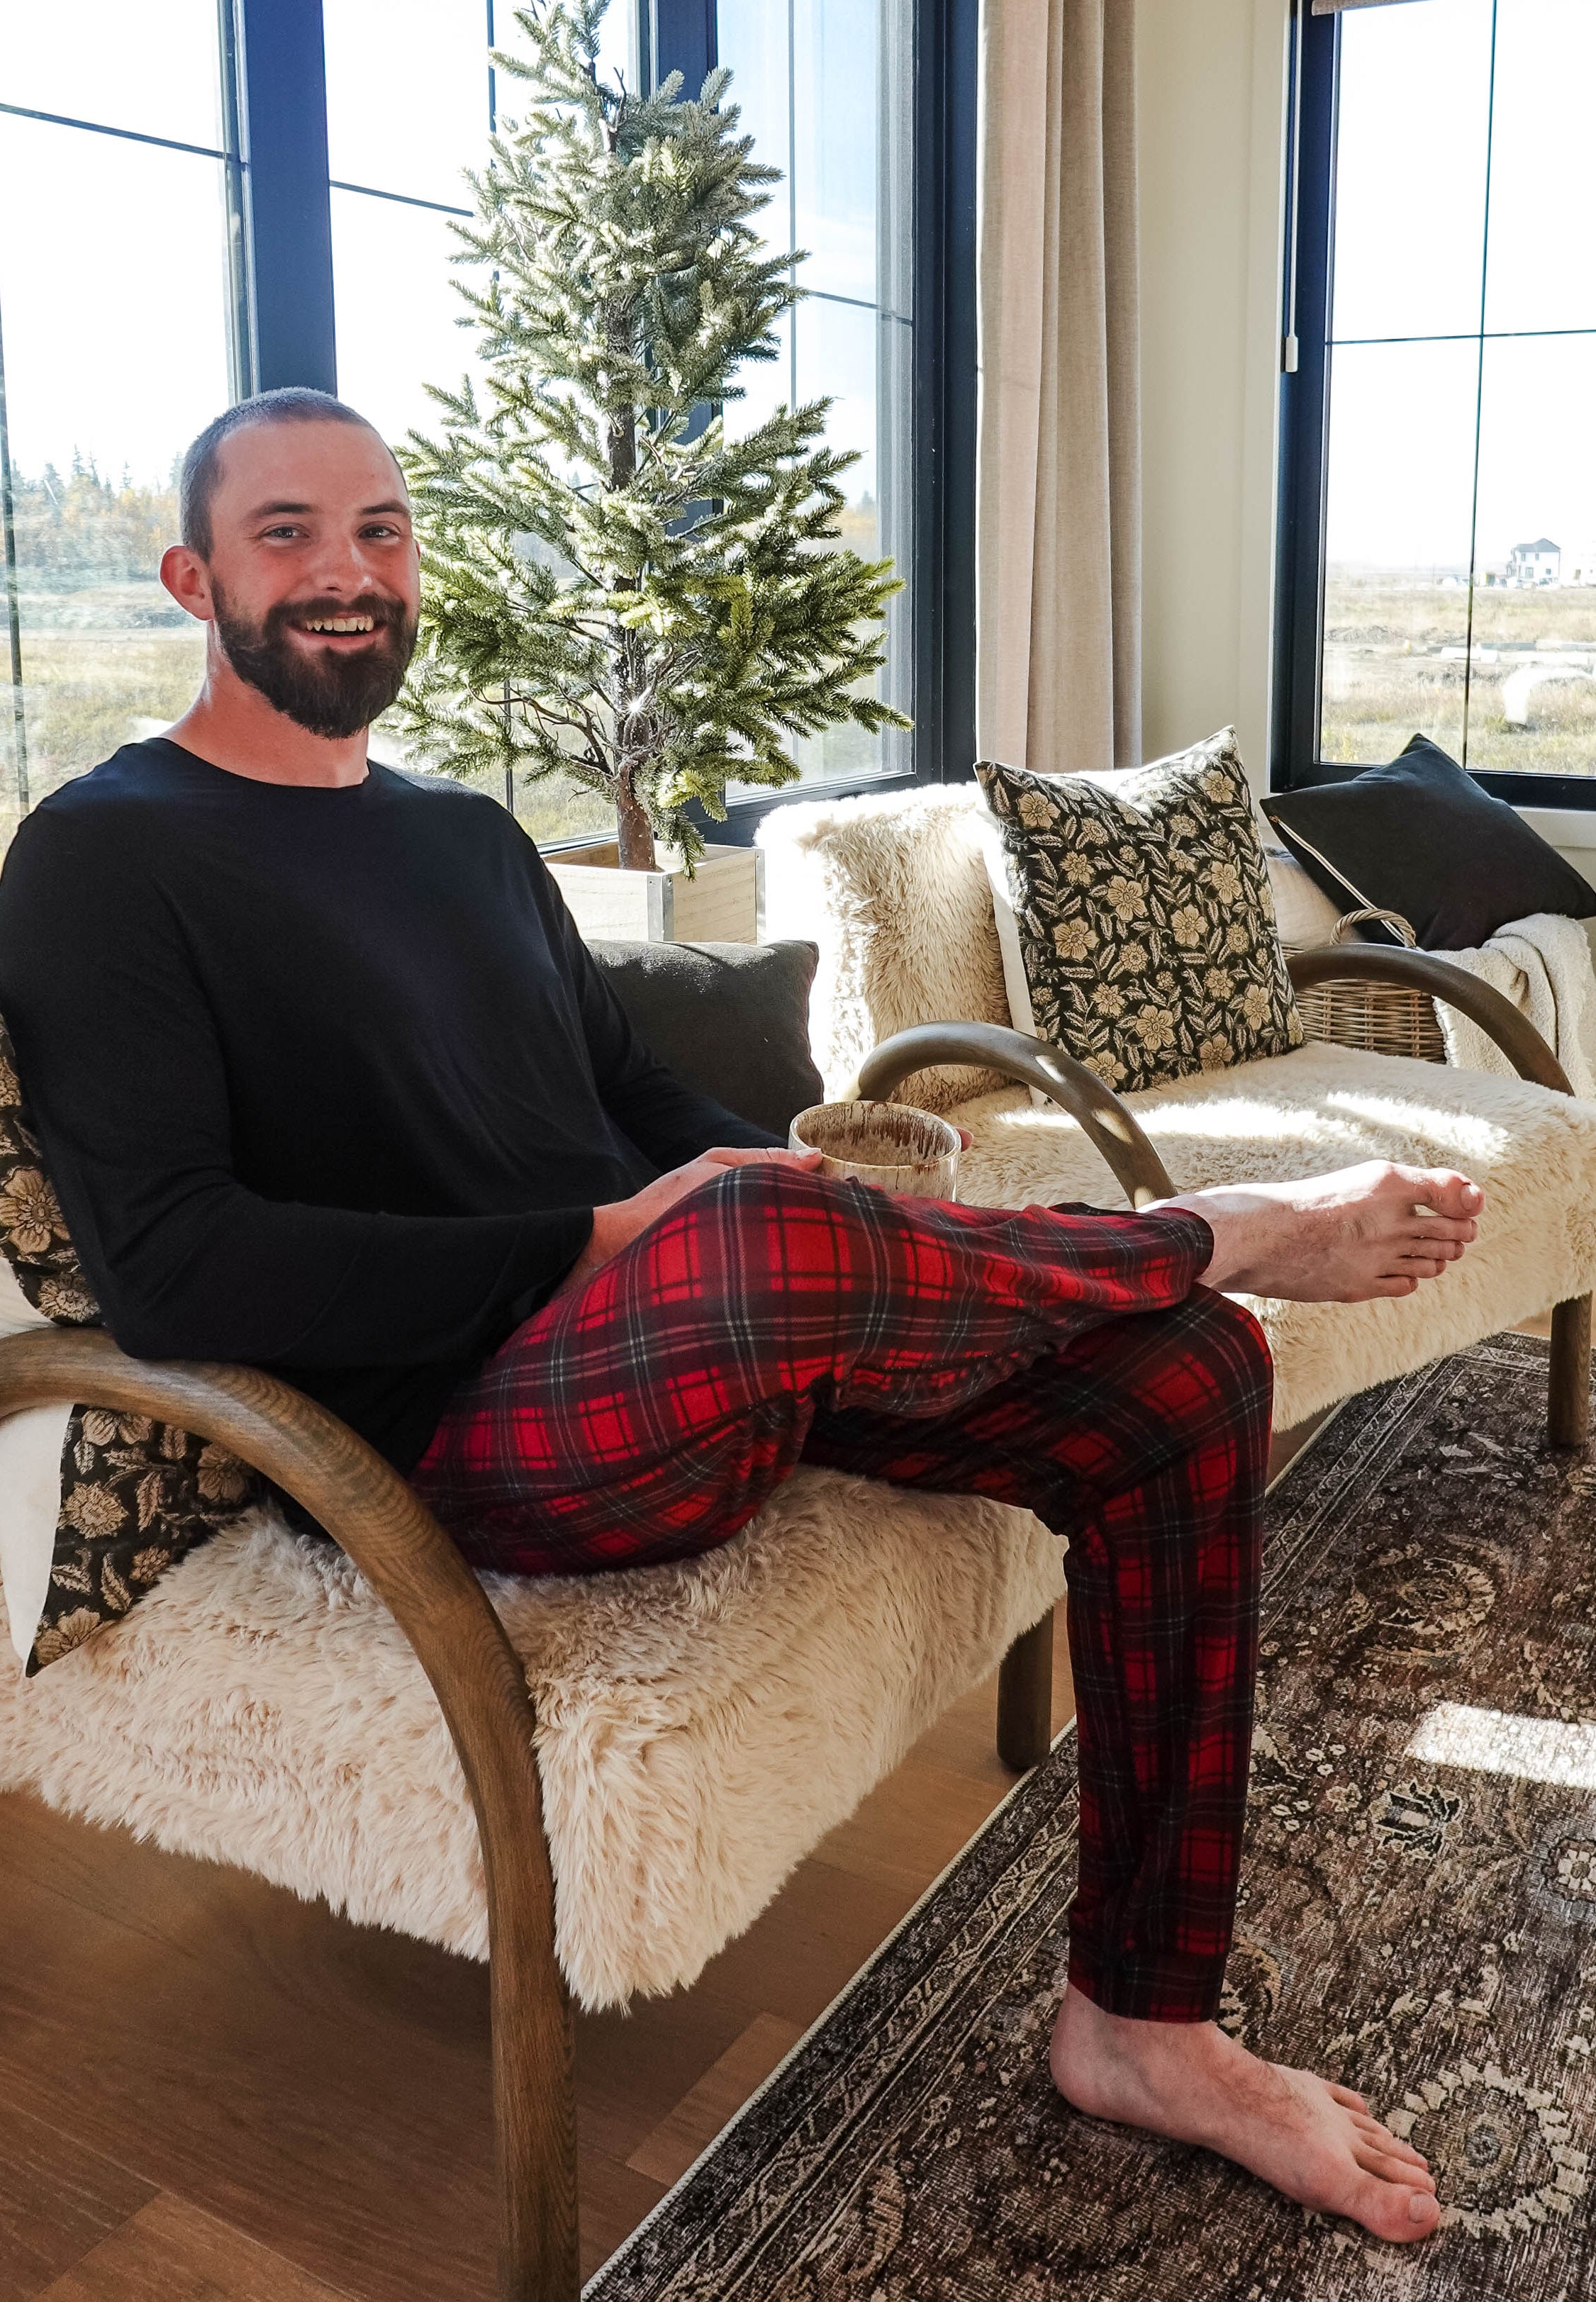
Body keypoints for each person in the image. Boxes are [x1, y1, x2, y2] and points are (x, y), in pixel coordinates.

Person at [0, 391, 1479, 2244]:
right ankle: (1200, 1226)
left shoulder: (463, 836)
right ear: (190, 576)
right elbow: (177, 1269)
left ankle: (1140, 2020)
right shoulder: (101, 856)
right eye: (287, 534)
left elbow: (648, 1110)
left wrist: (803, 1199)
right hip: (445, 1433)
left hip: (692, 1348)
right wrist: (624, 1236)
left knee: (1183, 1371)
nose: (346, 573)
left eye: (379, 530)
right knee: (769, 1240)